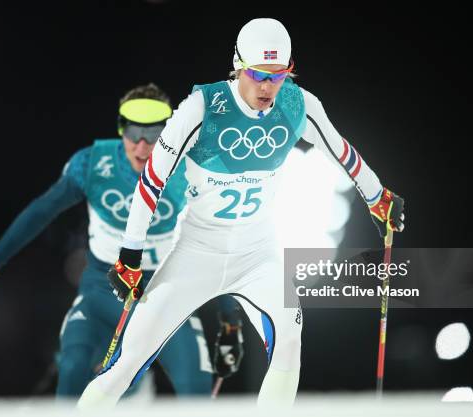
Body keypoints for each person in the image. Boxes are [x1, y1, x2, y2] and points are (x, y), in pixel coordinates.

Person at [78, 18, 405, 408]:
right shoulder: (202, 107)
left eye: (278, 75)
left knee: (289, 340)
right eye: (257, 74)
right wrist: (130, 253)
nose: (267, 87)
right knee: (125, 365)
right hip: (197, 250)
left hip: (259, 252)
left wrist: (376, 196)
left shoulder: (297, 104)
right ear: (237, 65)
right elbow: (152, 179)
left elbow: (340, 151)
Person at [0, 83, 244, 398]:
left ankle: (136, 386)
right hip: (104, 290)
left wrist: (230, 322)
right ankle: (128, 386)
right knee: (74, 367)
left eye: (154, 134)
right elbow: (41, 212)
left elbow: (217, 241)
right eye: (134, 134)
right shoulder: (93, 165)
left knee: (196, 385)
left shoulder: (190, 170)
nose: (142, 148)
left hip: (164, 295)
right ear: (121, 129)